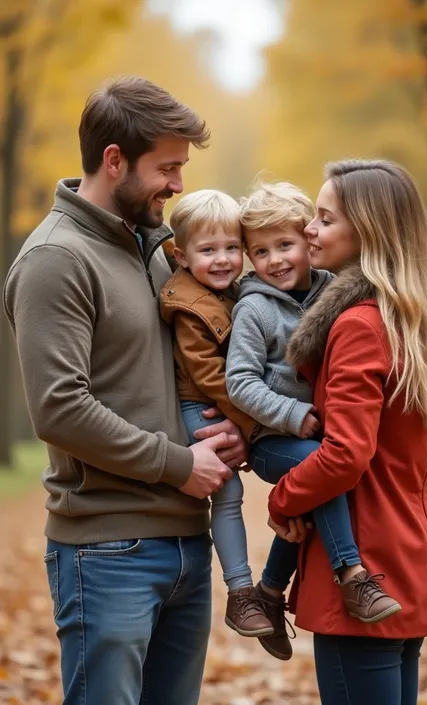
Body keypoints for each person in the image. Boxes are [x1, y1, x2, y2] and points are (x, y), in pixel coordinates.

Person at [3, 77, 247, 705]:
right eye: (167, 168)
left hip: (188, 546)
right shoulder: (56, 259)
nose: (179, 185)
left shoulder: (162, 252)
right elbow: (59, 407)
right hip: (109, 551)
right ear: (115, 160)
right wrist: (178, 464)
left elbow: (193, 366)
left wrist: (231, 429)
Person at [268, 159, 427, 705]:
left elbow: (346, 455)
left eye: (324, 219)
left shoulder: (357, 325)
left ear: (367, 231)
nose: (309, 229)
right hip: (410, 557)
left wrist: (283, 500)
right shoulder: (411, 320)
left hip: (363, 568)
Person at [225, 181, 400, 663]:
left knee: (313, 497)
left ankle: (269, 592)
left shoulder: (333, 291)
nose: (275, 260)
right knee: (326, 469)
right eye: (260, 251)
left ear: (308, 239)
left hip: (316, 436)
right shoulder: (254, 309)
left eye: (285, 245)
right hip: (272, 440)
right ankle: (352, 575)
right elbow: (239, 382)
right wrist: (294, 413)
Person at [159, 188, 273, 638]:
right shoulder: (187, 305)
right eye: (209, 250)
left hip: (233, 406)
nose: (223, 259)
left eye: (232, 248)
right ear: (181, 255)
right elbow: (208, 375)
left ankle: (271, 583)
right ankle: (241, 592)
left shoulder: (235, 291)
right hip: (202, 409)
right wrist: (252, 423)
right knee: (226, 493)